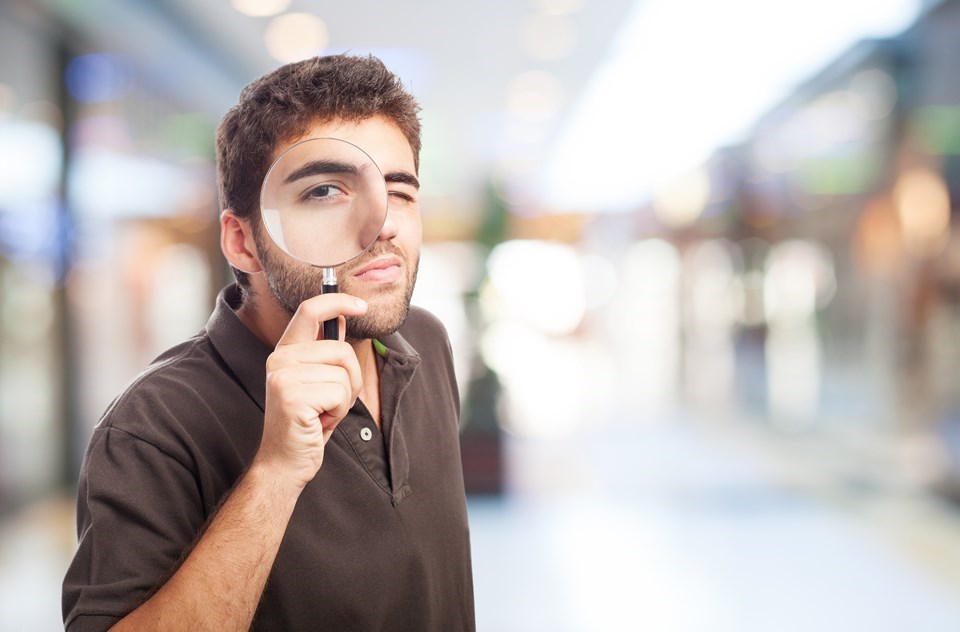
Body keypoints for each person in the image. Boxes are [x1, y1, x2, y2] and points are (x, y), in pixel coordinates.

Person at [62, 54, 476, 631]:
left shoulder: (424, 343)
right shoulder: (153, 424)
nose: (382, 222)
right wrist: (277, 471)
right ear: (243, 242)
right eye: (327, 191)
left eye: (400, 192)